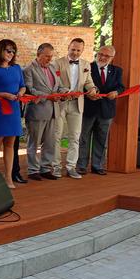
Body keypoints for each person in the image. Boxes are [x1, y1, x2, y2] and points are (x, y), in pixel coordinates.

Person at [52, 38, 98, 179]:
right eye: (73, 49)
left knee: (75, 137)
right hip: (60, 102)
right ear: (68, 48)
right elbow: (54, 82)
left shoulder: (85, 64)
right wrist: (63, 91)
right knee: (56, 136)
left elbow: (89, 82)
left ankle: (71, 167)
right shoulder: (57, 63)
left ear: (82, 50)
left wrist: (93, 89)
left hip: (77, 104)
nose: (75, 52)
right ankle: (56, 167)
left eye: (78, 50)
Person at [76, 45, 125, 175]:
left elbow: (121, 86)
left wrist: (116, 92)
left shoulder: (117, 71)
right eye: (100, 54)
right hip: (88, 108)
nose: (102, 57)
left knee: (101, 138)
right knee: (84, 138)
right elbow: (80, 86)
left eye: (106, 56)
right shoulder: (87, 67)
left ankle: (97, 165)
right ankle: (81, 166)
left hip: (106, 110)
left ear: (112, 58)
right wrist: (89, 93)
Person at [23, 43, 68, 180]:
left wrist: (65, 92)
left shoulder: (53, 68)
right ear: (38, 54)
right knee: (34, 142)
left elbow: (58, 86)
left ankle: (46, 168)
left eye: (51, 56)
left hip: (54, 110)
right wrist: (48, 97)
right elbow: (30, 90)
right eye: (47, 56)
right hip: (37, 111)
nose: (49, 59)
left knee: (50, 142)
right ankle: (33, 170)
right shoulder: (28, 69)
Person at [0, 39, 26, 189]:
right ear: (0, 51)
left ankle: (8, 177)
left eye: (13, 51)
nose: (11, 54)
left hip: (14, 108)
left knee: (10, 144)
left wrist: (21, 92)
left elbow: (22, 86)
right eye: (8, 50)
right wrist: (4, 95)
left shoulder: (16, 68)